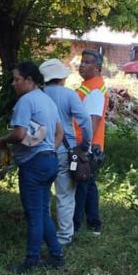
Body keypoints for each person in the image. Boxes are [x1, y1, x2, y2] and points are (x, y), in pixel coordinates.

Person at [0, 62, 64, 273]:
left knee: (34, 214)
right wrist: (47, 150)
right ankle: (56, 255)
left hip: (34, 165)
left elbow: (18, 134)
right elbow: (59, 133)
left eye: (17, 79)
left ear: (30, 80)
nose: (13, 83)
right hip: (50, 160)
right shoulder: (48, 100)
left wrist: (3, 140)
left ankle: (31, 261)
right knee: (42, 211)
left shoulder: (25, 101)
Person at [39, 58, 92, 246]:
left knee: (42, 194)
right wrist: (86, 144)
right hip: (65, 150)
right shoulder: (69, 95)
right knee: (65, 196)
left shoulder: (38, 94)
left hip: (41, 151)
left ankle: (41, 231)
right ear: (62, 77)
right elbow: (85, 120)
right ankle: (64, 237)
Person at [72, 49, 108, 235]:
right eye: (82, 61)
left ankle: (75, 225)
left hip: (86, 146)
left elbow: (93, 121)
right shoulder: (89, 85)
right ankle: (94, 223)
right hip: (89, 145)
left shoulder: (94, 90)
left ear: (97, 67)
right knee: (88, 183)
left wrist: (84, 149)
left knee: (80, 184)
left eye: (87, 62)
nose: (82, 65)